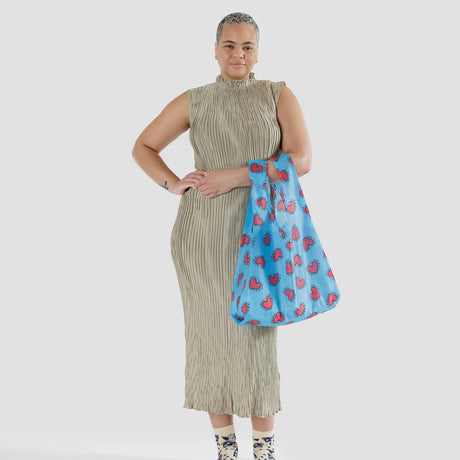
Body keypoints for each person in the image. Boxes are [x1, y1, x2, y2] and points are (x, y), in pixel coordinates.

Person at [132, 11, 312, 460]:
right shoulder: (195, 99)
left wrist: (236, 176)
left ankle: (264, 450)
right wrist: (174, 184)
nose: (238, 54)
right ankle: (226, 449)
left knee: (255, 337)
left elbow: (302, 159)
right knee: (210, 336)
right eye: (229, 45)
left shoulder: (277, 94)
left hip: (260, 233)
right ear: (215, 50)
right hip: (203, 234)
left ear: (258, 53)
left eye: (247, 46)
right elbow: (144, 146)